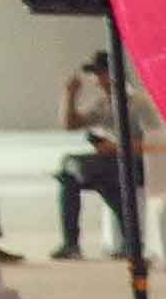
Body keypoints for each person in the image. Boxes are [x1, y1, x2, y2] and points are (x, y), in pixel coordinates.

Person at [56, 51, 137, 262]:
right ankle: (71, 244)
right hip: (112, 162)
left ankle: (130, 241)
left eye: (100, 74)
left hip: (134, 162)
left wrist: (117, 147)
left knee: (75, 170)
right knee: (70, 177)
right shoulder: (103, 103)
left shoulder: (136, 103)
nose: (96, 80)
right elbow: (70, 124)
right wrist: (70, 96)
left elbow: (156, 139)